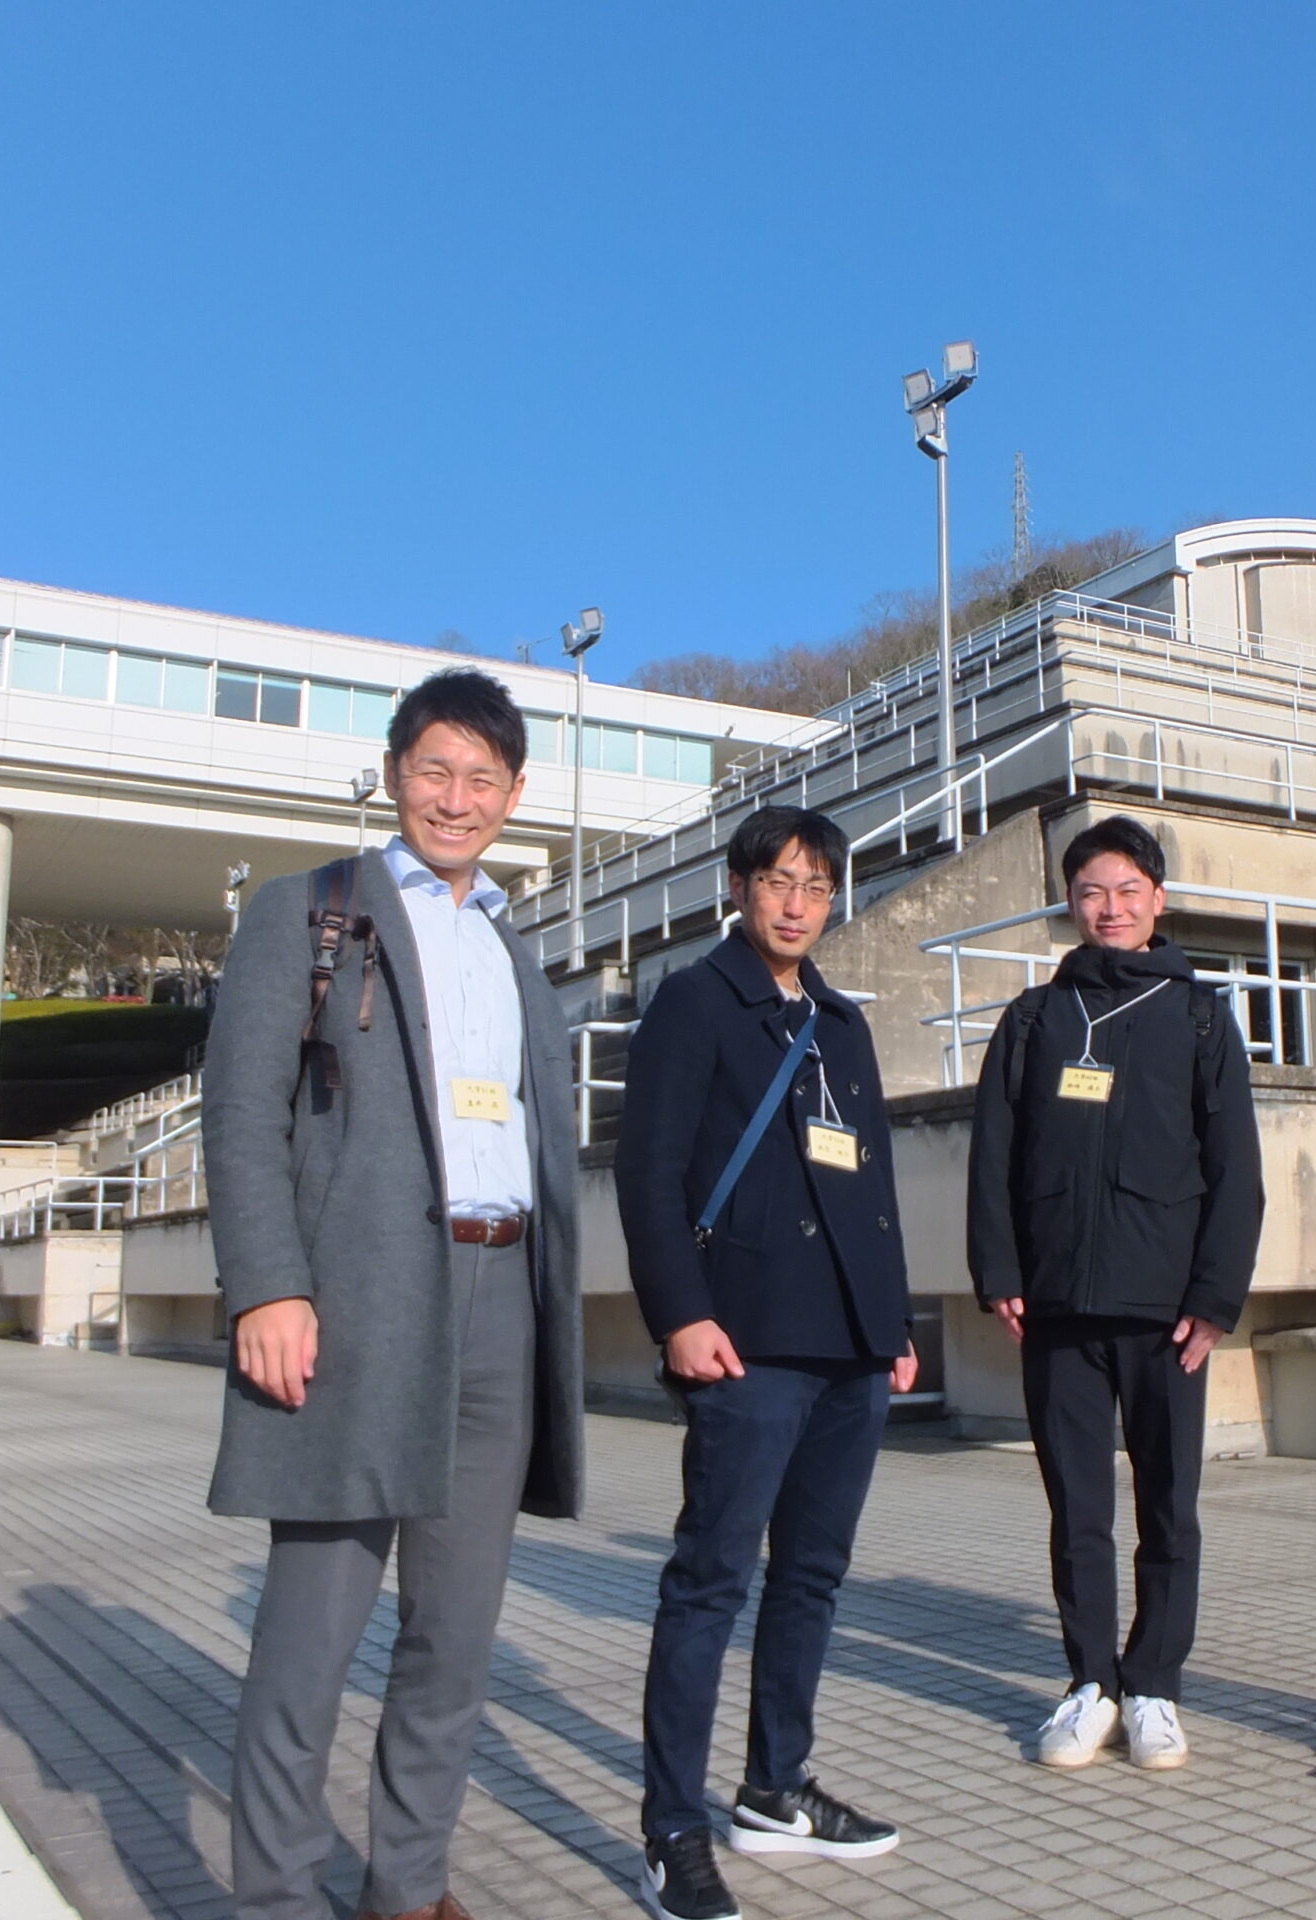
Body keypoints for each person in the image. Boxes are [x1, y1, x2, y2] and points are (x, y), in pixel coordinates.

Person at [203, 668, 585, 1920]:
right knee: (311, 1632)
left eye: (482, 778)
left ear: (514, 794)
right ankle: (274, 1897)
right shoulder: (308, 912)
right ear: (392, 775)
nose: (456, 798)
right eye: (435, 771)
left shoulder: (511, 948)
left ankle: (407, 1888)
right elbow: (240, 1115)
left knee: (454, 1636)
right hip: (359, 1300)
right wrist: (268, 1287)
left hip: (503, 1297)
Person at [615, 805, 919, 1920]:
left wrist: (892, 1324)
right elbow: (647, 1173)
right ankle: (670, 1829)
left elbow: (871, 1181)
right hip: (745, 1340)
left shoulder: (840, 1020)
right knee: (710, 1581)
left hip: (850, 1346)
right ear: (739, 887)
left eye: (817, 886)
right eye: (778, 881)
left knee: (812, 1577)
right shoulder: (694, 1002)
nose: (797, 904)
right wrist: (679, 1316)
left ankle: (775, 1788)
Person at [967, 815, 1264, 1772]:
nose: (1111, 907)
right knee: (1077, 1509)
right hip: (1058, 1306)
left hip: (1167, 1313)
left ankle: (1155, 1686)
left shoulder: (1201, 1017)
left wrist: (1215, 1297)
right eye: (1092, 891)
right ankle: (1090, 1682)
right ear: (1070, 902)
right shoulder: (1034, 1019)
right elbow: (994, 1155)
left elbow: (1237, 1168)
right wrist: (1001, 1272)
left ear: (1158, 900)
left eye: (1129, 891)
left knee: (1169, 1508)